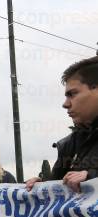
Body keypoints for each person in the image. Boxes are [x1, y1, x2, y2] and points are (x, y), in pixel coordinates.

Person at [26, 56, 98, 192]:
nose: (65, 104)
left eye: (72, 94)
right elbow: (59, 186)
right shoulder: (70, 144)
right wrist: (43, 186)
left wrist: (92, 178)